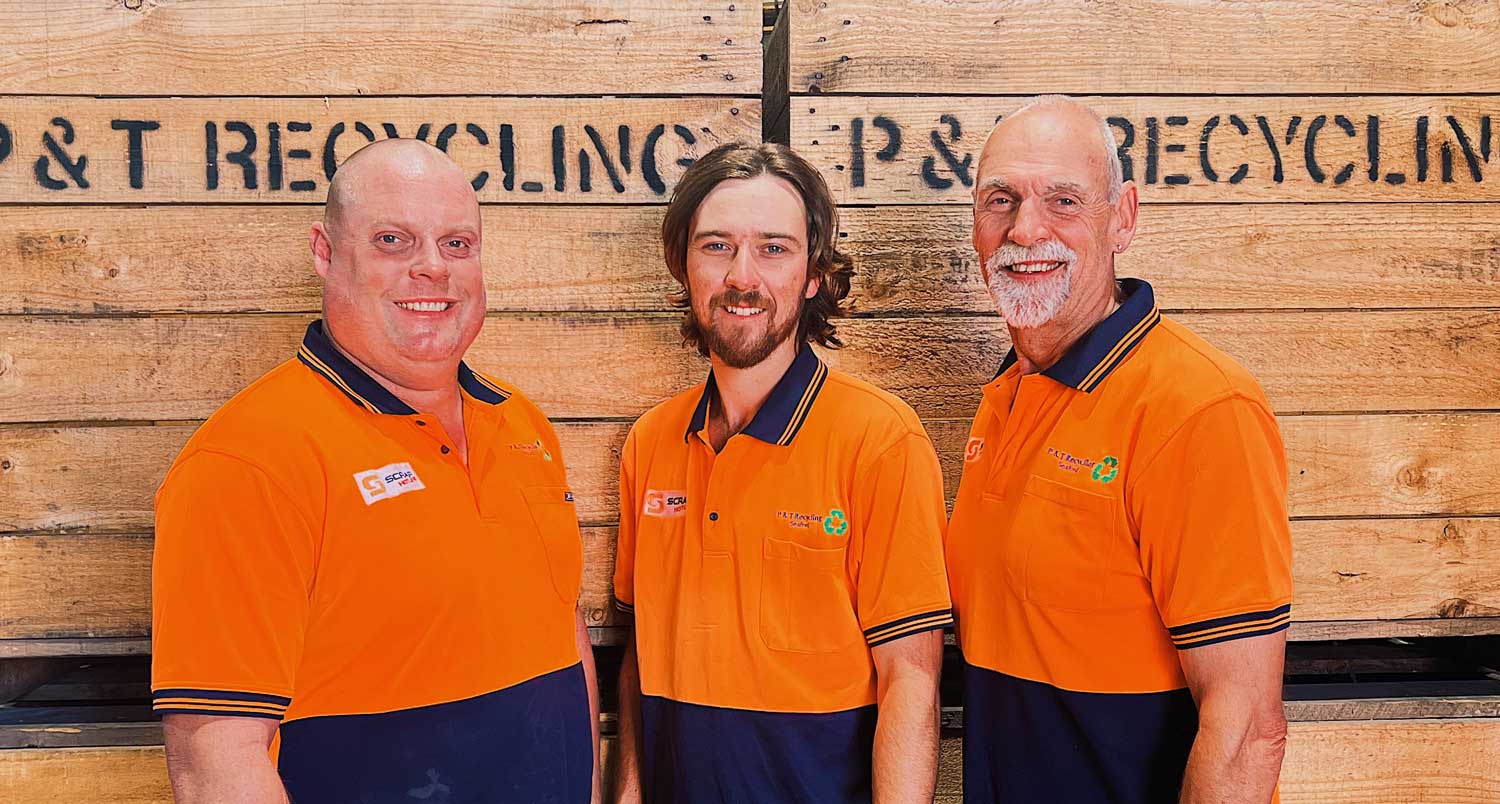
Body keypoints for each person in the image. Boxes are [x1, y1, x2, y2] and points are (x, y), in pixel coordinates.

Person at [150, 139, 599, 804]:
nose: (432, 270)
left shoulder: (520, 423)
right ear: (325, 253)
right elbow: (215, 757)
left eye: (456, 244)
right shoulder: (249, 459)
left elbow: (563, 633)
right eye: (394, 240)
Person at [945, 95, 1293, 804]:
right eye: (999, 200)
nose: (1024, 229)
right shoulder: (1005, 400)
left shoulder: (1198, 408)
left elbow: (1249, 729)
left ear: (1123, 218)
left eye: (1063, 201)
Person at [610, 142, 953, 804]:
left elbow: (911, 679)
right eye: (716, 246)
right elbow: (638, 656)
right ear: (684, 266)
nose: (743, 276)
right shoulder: (650, 443)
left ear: (814, 274)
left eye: (774, 248)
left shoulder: (881, 440)